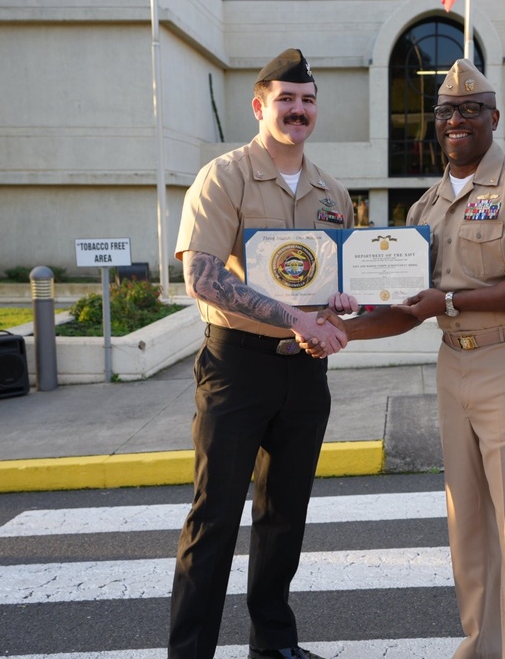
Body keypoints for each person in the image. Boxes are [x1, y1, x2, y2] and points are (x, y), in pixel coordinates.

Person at [304, 59, 505, 659]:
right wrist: (343, 329)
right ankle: (478, 647)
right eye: (447, 112)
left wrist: (451, 299)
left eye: (470, 109)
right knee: (469, 524)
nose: (457, 120)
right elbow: (409, 308)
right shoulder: (424, 210)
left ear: (493, 117)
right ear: (436, 123)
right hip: (455, 367)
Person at [169, 48, 355, 659]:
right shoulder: (224, 176)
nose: (298, 110)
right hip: (237, 368)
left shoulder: (333, 192)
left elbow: (331, 284)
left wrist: (345, 302)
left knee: (284, 517)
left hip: (305, 374)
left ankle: (272, 646)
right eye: (286, 99)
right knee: (215, 516)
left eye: (307, 101)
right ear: (260, 105)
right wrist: (300, 316)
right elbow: (203, 277)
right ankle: (190, 652)